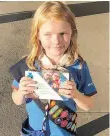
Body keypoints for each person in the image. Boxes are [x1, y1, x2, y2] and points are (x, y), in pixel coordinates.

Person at [10, 1, 97, 136]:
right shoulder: (28, 64)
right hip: (34, 132)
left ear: (72, 33)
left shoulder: (78, 66)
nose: (56, 41)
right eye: (48, 34)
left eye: (63, 33)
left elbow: (88, 104)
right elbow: (16, 100)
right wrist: (21, 91)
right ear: (37, 34)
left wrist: (75, 95)